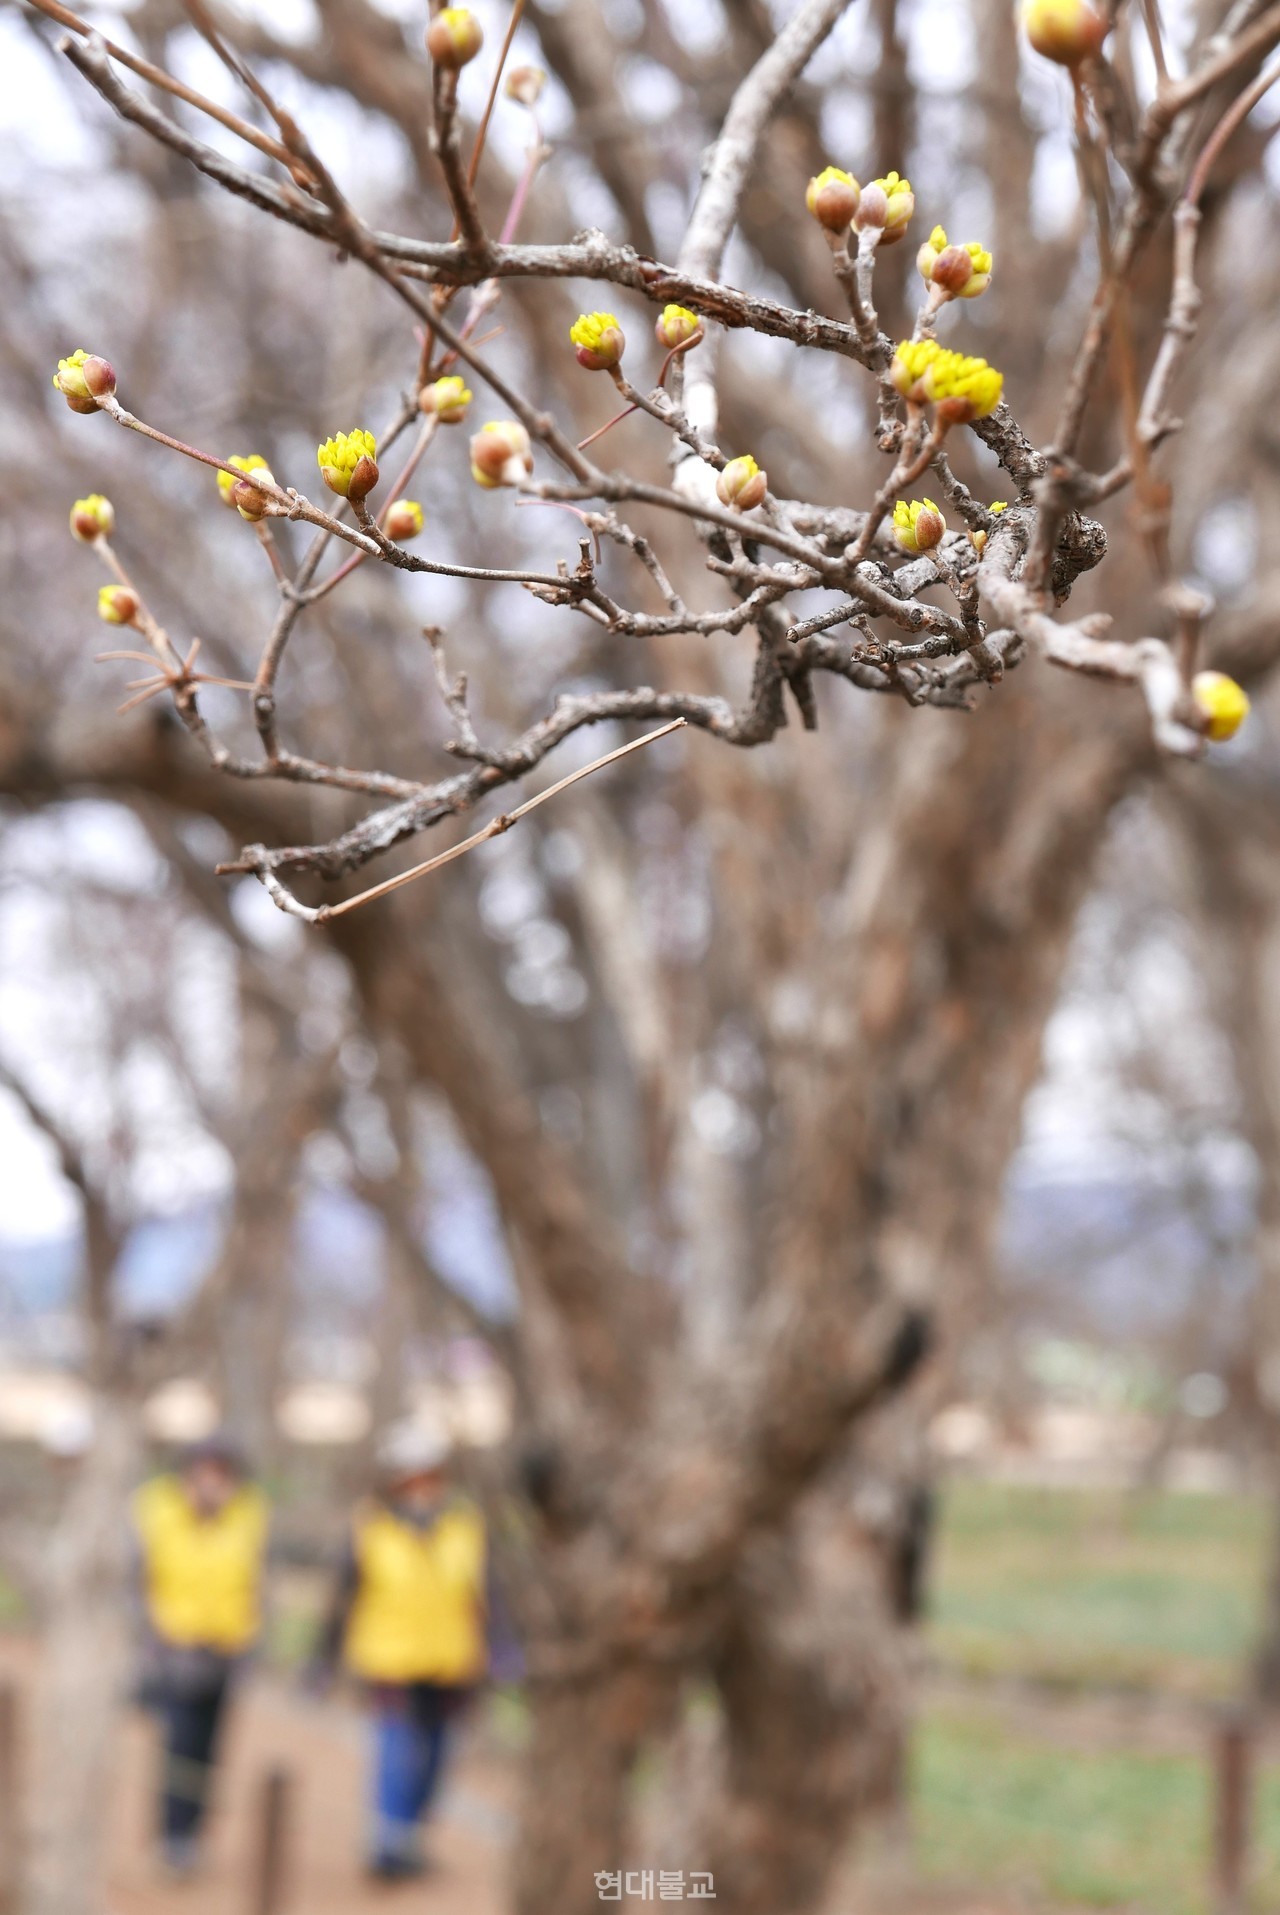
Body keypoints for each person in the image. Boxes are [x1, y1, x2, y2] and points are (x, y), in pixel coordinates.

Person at [312, 1418, 487, 1881]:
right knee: (395, 1747)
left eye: (428, 1477)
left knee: (435, 1756)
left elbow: (487, 1595)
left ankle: (411, 1834)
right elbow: (342, 1598)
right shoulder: (369, 1528)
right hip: (388, 1659)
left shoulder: (464, 1527)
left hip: (449, 1661)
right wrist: (321, 1661)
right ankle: (388, 1840)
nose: (421, 1488)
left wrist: (502, 1652)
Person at [131, 1435, 269, 1878]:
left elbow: (259, 1584)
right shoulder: (156, 1511)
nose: (211, 1483)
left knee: (210, 1747)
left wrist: (253, 1643)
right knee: (178, 1743)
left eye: (220, 1474)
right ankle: (173, 1836)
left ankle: (192, 1834)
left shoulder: (247, 1516)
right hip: (175, 1650)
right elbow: (136, 1579)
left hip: (226, 1650)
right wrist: (148, 1644)